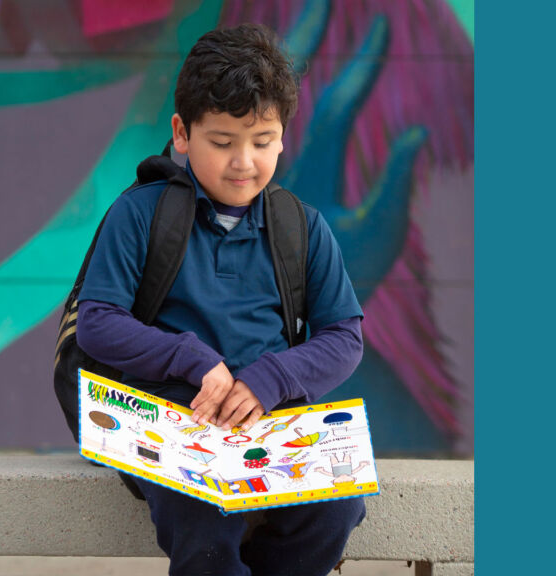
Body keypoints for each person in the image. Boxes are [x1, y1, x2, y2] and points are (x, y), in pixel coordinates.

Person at [75, 23, 366, 576]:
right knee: (204, 513)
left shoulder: (301, 228)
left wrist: (271, 378)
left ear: (283, 137)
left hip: (271, 414)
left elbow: (344, 338)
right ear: (182, 134)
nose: (244, 163)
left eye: (261, 142)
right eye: (223, 142)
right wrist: (193, 360)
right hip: (167, 416)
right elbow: (98, 324)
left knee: (335, 507)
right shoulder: (139, 214)